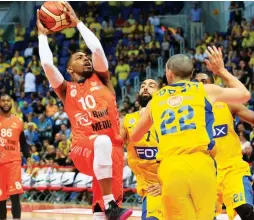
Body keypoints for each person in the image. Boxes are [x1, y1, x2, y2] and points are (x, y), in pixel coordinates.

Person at [130, 46, 250, 220]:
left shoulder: (156, 99)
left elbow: (135, 136)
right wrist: (221, 70)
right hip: (202, 163)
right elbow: (244, 94)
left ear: (168, 73)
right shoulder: (204, 90)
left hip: (171, 167)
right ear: (192, 73)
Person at [37, 2, 132, 220]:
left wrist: (78, 22)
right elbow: (48, 65)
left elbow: (97, 49)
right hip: (83, 148)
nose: (86, 58)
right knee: (100, 141)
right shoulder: (66, 89)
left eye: (85, 56)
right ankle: (110, 204)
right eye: (79, 57)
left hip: (113, 152)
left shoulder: (104, 80)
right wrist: (42, 36)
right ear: (69, 69)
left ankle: (108, 205)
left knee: (105, 211)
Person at [195, 72, 254, 220]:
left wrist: (221, 70)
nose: (200, 85)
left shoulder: (226, 103)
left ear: (214, 83)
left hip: (231, 169)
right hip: (205, 174)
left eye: (204, 81)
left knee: (247, 211)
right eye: (196, 82)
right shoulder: (187, 113)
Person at [121, 79, 163, 220]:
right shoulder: (128, 120)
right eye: (142, 86)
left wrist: (168, 184)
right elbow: (115, 145)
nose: (146, 88)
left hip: (175, 182)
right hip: (151, 188)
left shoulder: (168, 117)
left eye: (152, 86)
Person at [0, 94, 30, 220]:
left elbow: (23, 142)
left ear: (11, 103)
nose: (6, 103)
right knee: (1, 197)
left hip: (13, 163)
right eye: (3, 101)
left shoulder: (18, 121)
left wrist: (28, 158)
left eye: (8, 101)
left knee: (15, 195)